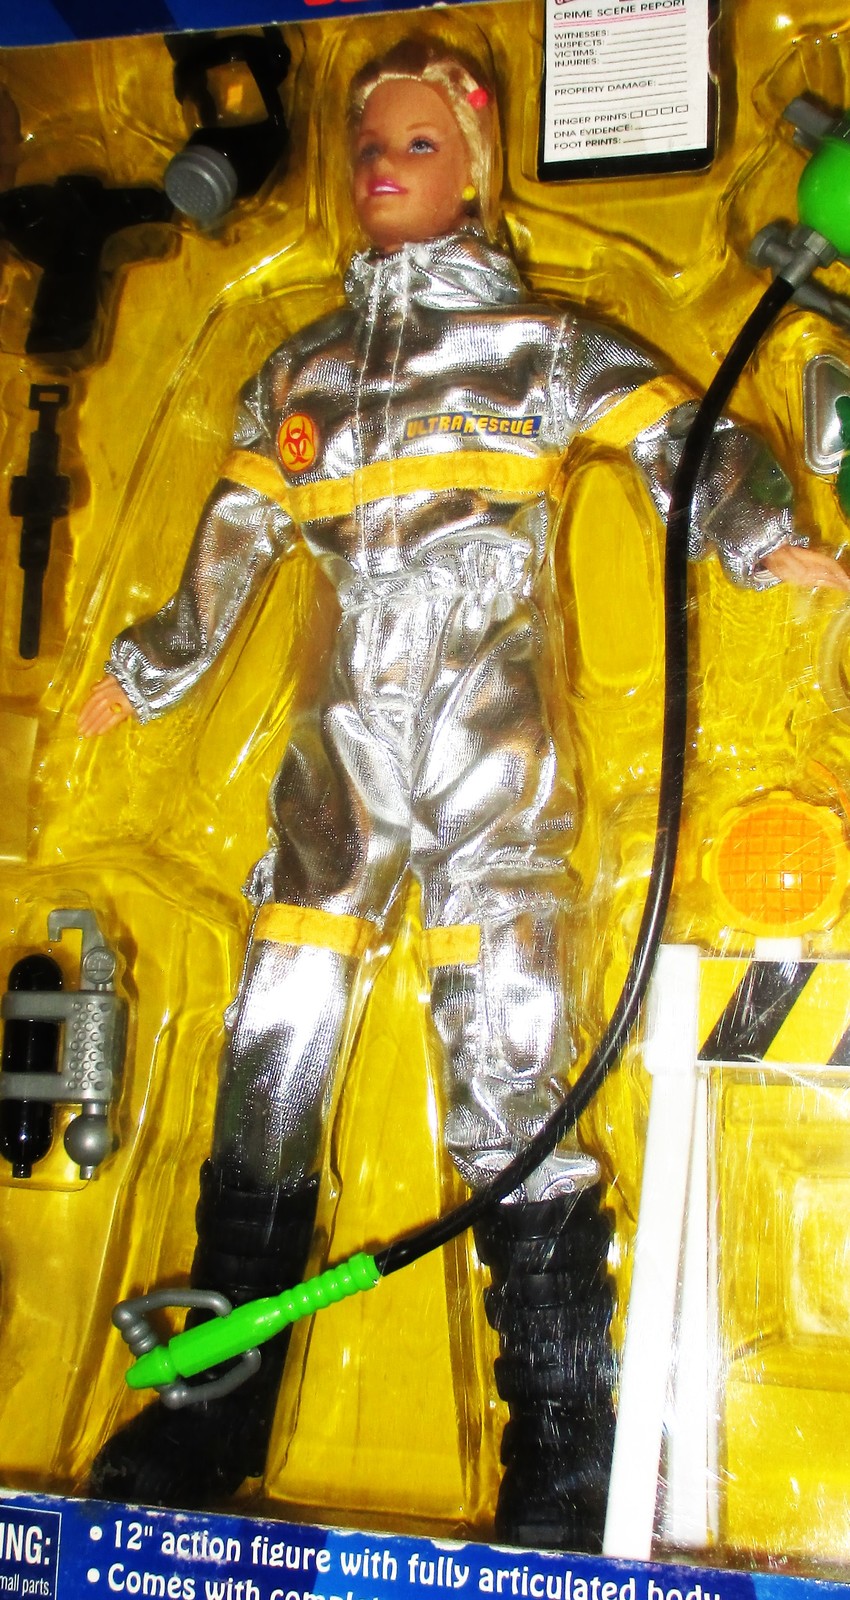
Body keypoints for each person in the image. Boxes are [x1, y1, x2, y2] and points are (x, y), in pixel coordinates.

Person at [80, 36, 849, 1548]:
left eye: (419, 144)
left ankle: (564, 1442)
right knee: (268, 1063)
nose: (382, 166)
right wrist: (149, 668)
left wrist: (764, 536)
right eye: (370, 144)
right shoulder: (297, 373)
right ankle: (205, 1412)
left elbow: (681, 439)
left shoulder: (536, 348)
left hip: (493, 765)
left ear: (479, 170)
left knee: (513, 1067)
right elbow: (229, 544)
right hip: (332, 781)